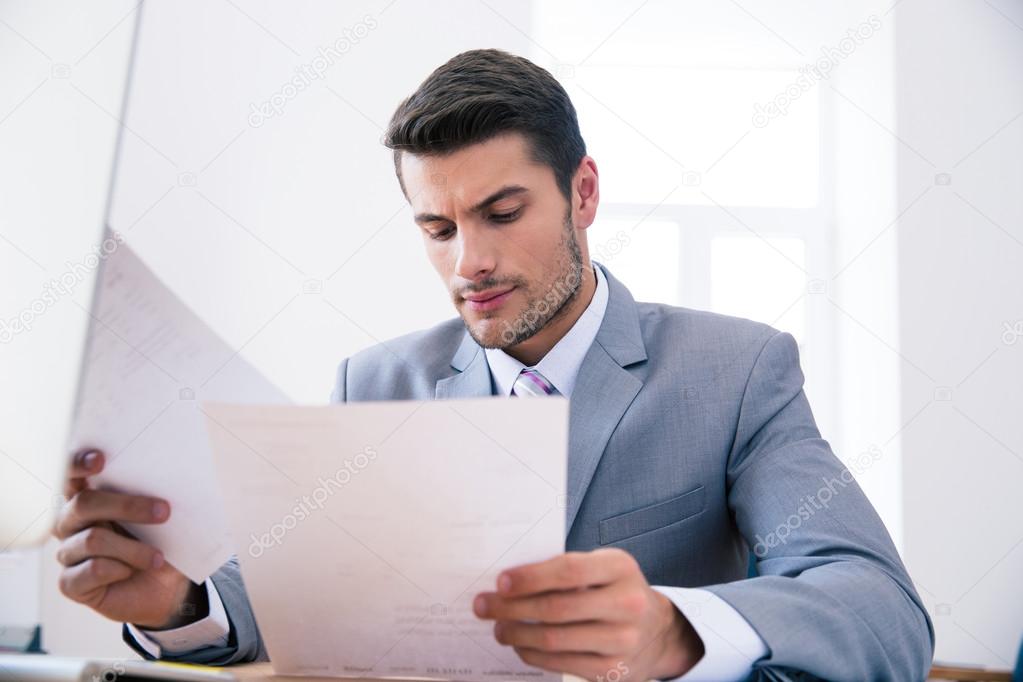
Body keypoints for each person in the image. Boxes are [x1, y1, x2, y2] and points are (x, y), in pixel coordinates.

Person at [54, 49, 934, 680]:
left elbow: (881, 613)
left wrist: (677, 630)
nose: (468, 261)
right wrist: (177, 605)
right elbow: (280, 600)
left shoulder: (735, 370)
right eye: (437, 230)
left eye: (501, 212)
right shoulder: (375, 383)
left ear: (582, 193)